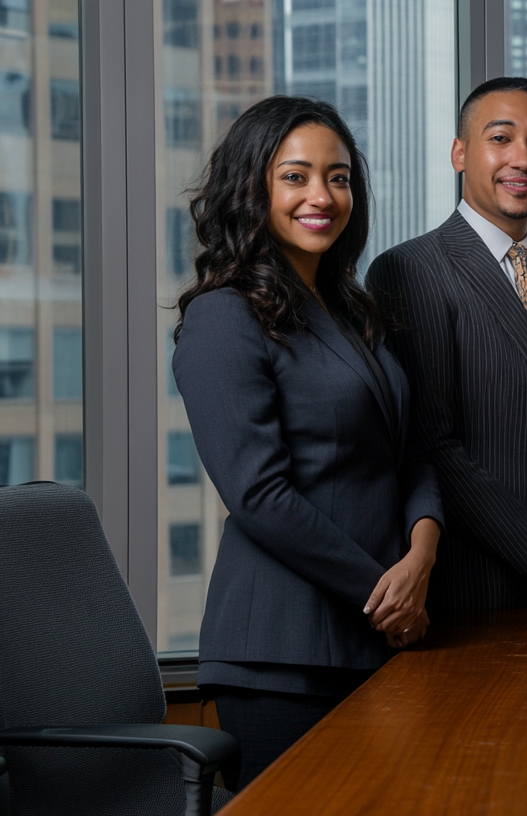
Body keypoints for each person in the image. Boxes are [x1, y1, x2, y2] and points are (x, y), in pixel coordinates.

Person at [171, 96, 443, 789]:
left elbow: (410, 452)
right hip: (282, 654)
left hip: (380, 636)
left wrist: (422, 551)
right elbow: (259, 495)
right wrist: (387, 596)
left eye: (340, 176)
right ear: (253, 186)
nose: (322, 195)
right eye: (296, 176)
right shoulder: (222, 318)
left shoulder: (355, 312)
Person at [367, 77, 527, 611]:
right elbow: (429, 442)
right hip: (466, 598)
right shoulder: (409, 271)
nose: (522, 157)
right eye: (500, 138)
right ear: (459, 153)